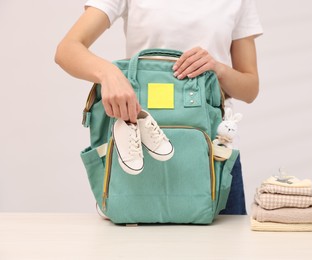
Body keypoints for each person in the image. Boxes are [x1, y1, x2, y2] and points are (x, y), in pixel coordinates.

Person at [55, 0, 263, 215]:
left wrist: (217, 69)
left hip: (213, 152)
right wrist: (110, 73)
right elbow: (67, 49)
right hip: (139, 146)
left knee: (224, 247)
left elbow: (250, 89)